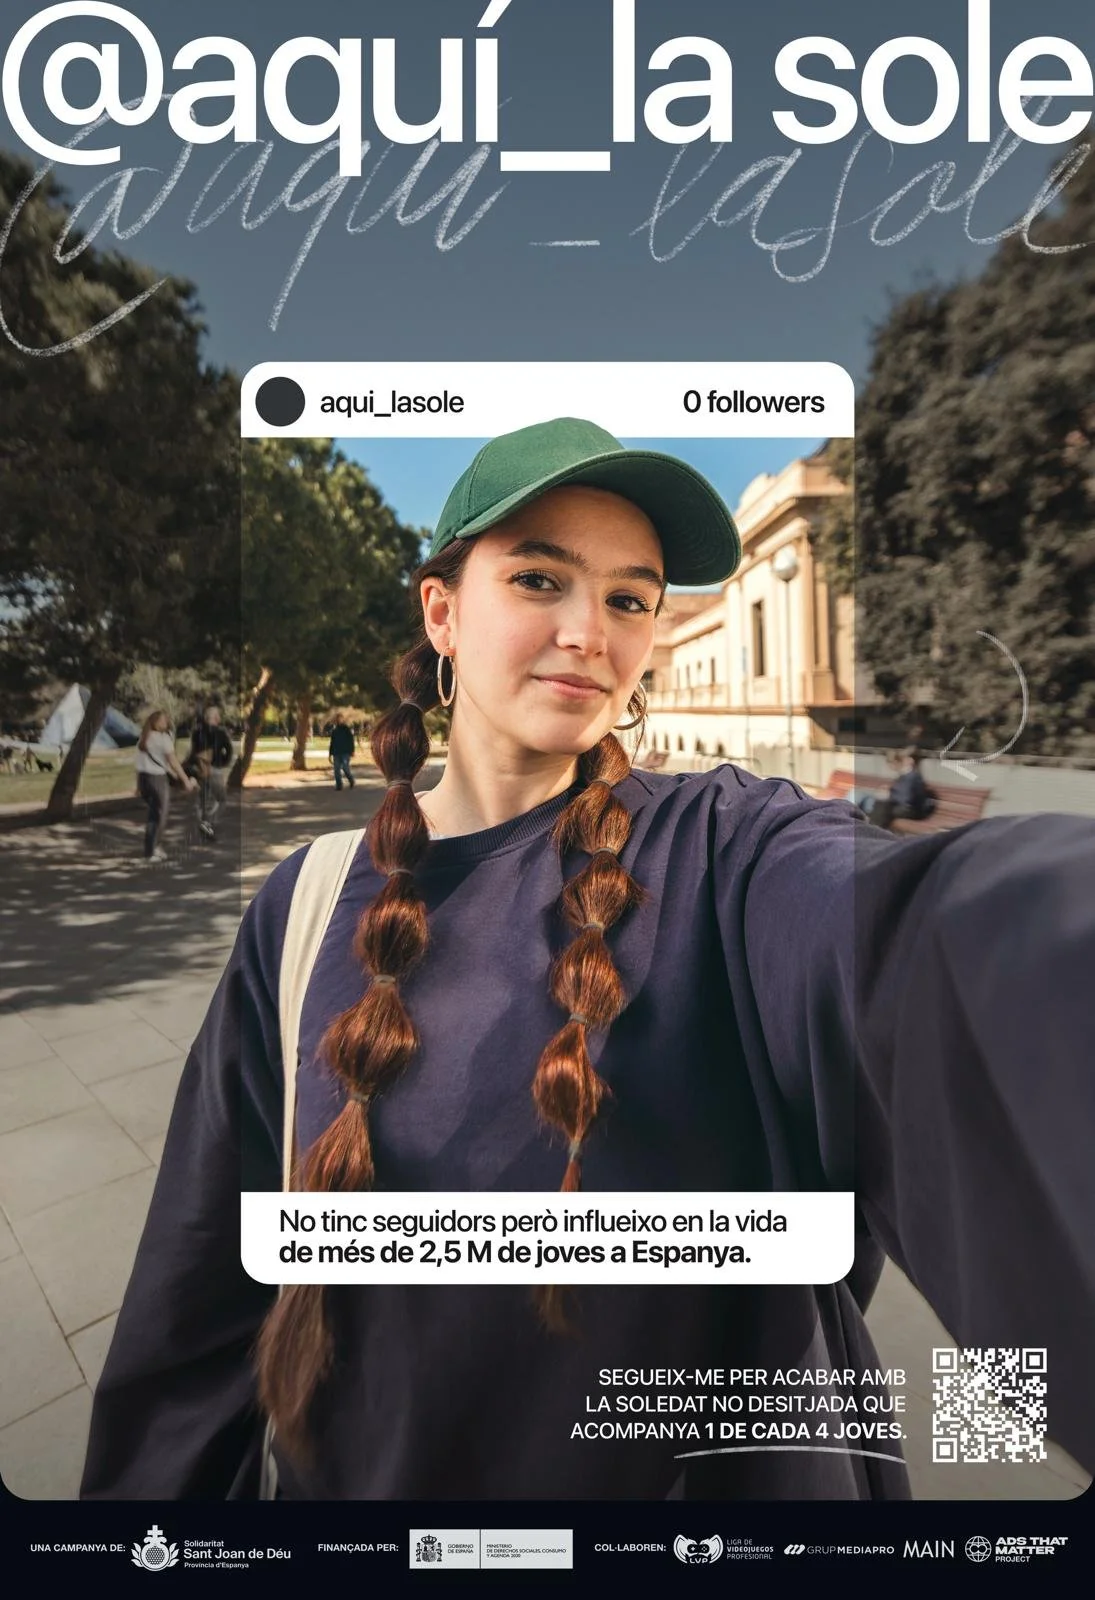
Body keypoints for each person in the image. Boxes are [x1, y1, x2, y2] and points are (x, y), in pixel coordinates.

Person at [82, 419, 1094, 1500]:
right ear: (442, 613)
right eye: (538, 579)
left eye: (629, 598)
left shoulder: (724, 850)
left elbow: (920, 937)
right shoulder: (305, 904)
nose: (588, 632)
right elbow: (193, 1325)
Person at [134, 709, 195, 862]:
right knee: (159, 815)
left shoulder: (144, 738)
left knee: (155, 814)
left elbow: (138, 764)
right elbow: (173, 761)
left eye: (166, 720)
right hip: (157, 780)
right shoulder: (163, 738)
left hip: (144, 779)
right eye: (162, 720)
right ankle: (151, 851)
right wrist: (185, 780)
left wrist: (137, 786)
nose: (165, 723)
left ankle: (155, 846)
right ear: (154, 722)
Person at [186, 706, 234, 840]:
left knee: (203, 799)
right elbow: (228, 751)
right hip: (215, 769)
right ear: (216, 718)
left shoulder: (197, 732)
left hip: (200, 769)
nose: (219, 718)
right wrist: (222, 763)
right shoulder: (220, 732)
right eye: (218, 716)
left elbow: (194, 752)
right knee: (222, 799)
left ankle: (203, 824)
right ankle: (207, 823)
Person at [328, 712, 356, 790]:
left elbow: (351, 740)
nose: (338, 720)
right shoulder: (334, 730)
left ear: (342, 719)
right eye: (337, 719)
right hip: (336, 752)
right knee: (336, 769)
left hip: (345, 752)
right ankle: (339, 785)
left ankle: (351, 780)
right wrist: (330, 754)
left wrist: (352, 751)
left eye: (340, 719)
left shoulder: (346, 729)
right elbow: (332, 742)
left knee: (345, 767)